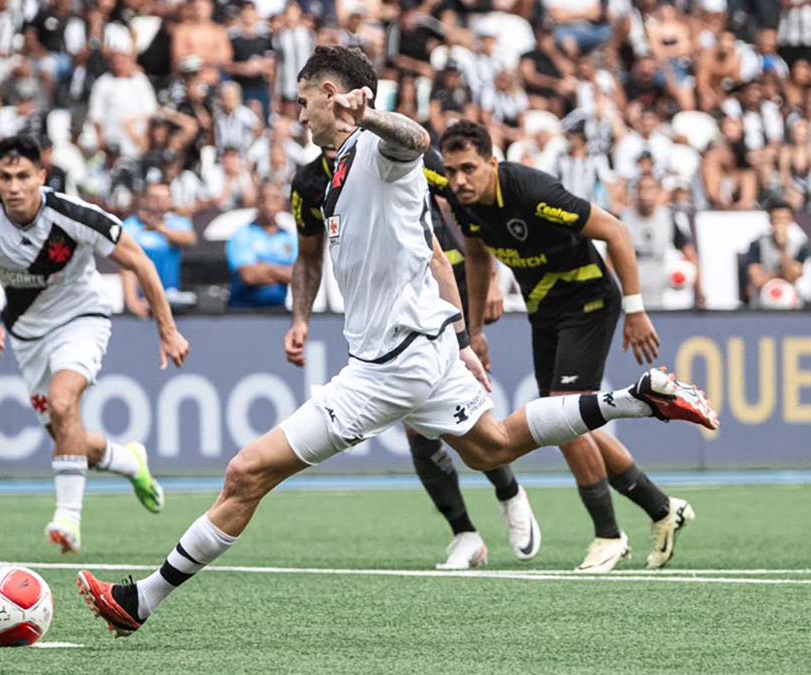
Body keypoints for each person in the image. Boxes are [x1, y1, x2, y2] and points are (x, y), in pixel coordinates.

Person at [76, 46, 718, 636]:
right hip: (428, 349)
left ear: (333, 95)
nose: (299, 115)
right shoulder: (330, 174)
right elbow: (435, 257)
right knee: (492, 447)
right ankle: (638, 398)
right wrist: (462, 338)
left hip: (389, 367)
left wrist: (371, 114)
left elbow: (415, 138)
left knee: (247, 472)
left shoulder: (375, 152)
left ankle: (141, 603)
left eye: (304, 101)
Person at [440, 119, 700, 573]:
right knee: (562, 422)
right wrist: (475, 329)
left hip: (589, 299)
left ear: (491, 163)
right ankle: (662, 509)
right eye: (451, 171)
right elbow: (479, 258)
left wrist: (636, 311)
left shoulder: (532, 191)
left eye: (468, 169)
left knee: (560, 412)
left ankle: (608, 536)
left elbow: (615, 231)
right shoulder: (464, 205)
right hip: (546, 308)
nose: (459, 181)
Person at [290, 145, 537, 570]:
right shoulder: (310, 184)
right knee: (419, 427)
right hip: (393, 303)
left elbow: (464, 203)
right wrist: (300, 320)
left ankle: (508, 491)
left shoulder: (396, 153)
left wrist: (489, 276)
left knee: (465, 419)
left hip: (445, 283)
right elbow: (308, 258)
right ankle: (465, 533)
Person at [0, 134, 189, 555]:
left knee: (64, 404)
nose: (14, 186)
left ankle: (68, 520)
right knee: (66, 433)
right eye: (5, 177)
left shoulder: (74, 215)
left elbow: (140, 263)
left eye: (24, 175)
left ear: (41, 175)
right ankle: (129, 461)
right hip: (26, 335)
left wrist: (167, 330)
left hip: (82, 319)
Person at [620, 174, 704, 310]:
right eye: (641, 188)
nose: (645, 193)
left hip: (657, 289)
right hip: (627, 289)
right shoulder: (623, 219)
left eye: (650, 188)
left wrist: (699, 291)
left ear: (658, 192)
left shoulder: (668, 218)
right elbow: (610, 259)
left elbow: (690, 254)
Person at [121, 182, 198, 318]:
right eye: (156, 199)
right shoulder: (130, 227)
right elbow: (127, 265)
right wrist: (132, 301)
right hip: (143, 301)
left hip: (171, 299)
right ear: (144, 200)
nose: (161, 204)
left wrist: (159, 228)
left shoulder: (177, 222)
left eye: (166, 199)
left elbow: (189, 240)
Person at [226, 181, 297, 309]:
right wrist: (282, 274)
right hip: (242, 313)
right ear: (257, 202)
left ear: (282, 203)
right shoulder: (241, 235)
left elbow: (299, 276)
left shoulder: (291, 238)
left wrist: (265, 268)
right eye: (264, 199)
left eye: (275, 199)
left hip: (279, 314)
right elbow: (249, 276)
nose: (269, 205)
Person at [743, 201, 810, 308]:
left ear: (791, 221)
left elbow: (793, 276)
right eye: (776, 219)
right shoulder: (758, 245)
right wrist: (780, 275)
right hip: (763, 302)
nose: (780, 224)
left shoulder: (800, 246)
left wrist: (783, 249)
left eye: (784, 219)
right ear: (770, 221)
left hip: (790, 303)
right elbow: (757, 280)